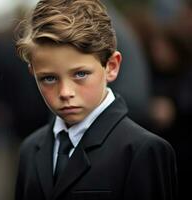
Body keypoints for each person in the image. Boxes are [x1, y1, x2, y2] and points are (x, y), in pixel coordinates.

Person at [14, 0, 178, 200]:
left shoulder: (143, 150)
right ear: (33, 73)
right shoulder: (30, 149)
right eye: (49, 78)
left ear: (111, 66)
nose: (65, 92)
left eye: (80, 74)